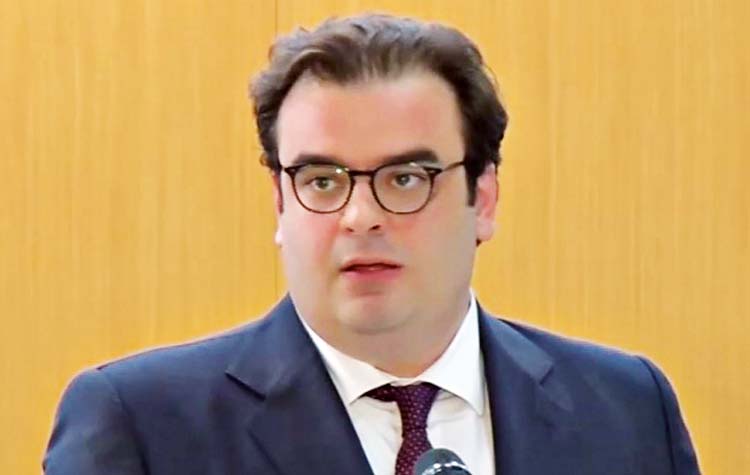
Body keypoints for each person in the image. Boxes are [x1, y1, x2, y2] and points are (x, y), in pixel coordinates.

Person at [43, 13, 700, 475]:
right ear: (280, 202)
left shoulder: (626, 407)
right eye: (322, 180)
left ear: (484, 198)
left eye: (405, 178)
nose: (360, 216)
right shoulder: (143, 426)